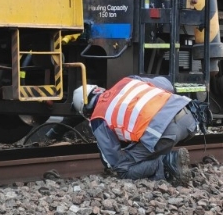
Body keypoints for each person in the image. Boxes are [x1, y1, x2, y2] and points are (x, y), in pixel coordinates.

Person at [73, 76, 208, 185]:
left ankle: (167, 163)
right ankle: (167, 163)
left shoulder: (98, 117)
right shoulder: (127, 81)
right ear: (98, 90)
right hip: (190, 117)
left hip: (165, 131)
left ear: (85, 111)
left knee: (123, 169)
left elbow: (113, 160)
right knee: (147, 144)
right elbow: (167, 85)